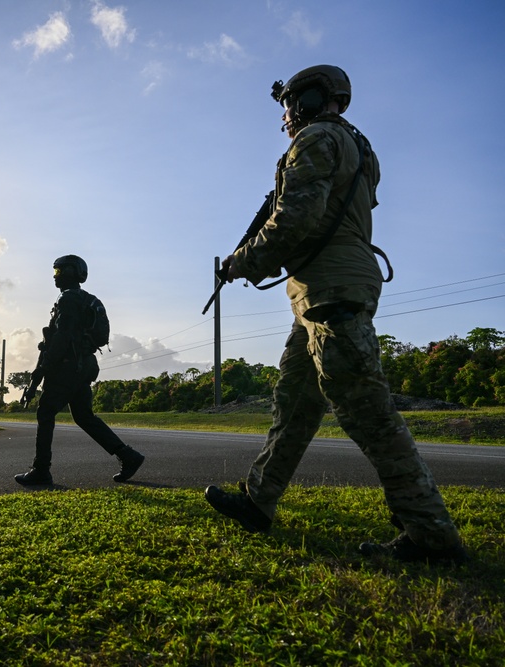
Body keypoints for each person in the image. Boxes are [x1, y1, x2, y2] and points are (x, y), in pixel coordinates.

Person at [204, 65, 467, 564]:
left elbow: (295, 219)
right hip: (324, 288)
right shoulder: (356, 145)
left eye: (290, 103)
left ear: (310, 99)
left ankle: (431, 532)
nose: (285, 115)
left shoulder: (318, 138)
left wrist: (244, 261)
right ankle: (259, 500)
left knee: (367, 411)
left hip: (332, 288)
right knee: (296, 403)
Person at [15, 255, 145, 486]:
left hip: (67, 367)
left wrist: (44, 368)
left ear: (71, 273)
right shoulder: (83, 299)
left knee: (45, 412)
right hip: (84, 366)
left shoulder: (68, 299)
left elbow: (63, 336)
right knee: (84, 416)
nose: (55, 277)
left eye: (58, 272)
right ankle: (128, 455)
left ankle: (41, 470)